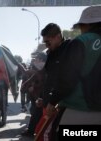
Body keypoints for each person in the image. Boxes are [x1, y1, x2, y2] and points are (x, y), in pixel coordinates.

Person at [44, 5, 101, 140]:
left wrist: (52, 101)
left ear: (86, 25)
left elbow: (67, 79)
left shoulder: (82, 42)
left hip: (79, 110)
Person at [34, 23, 71, 141]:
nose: (47, 46)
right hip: (49, 102)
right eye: (45, 43)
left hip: (58, 104)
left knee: (44, 134)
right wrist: (42, 97)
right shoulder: (50, 53)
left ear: (58, 37)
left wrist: (54, 101)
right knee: (40, 132)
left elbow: (67, 80)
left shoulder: (70, 50)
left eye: (48, 42)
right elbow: (48, 78)